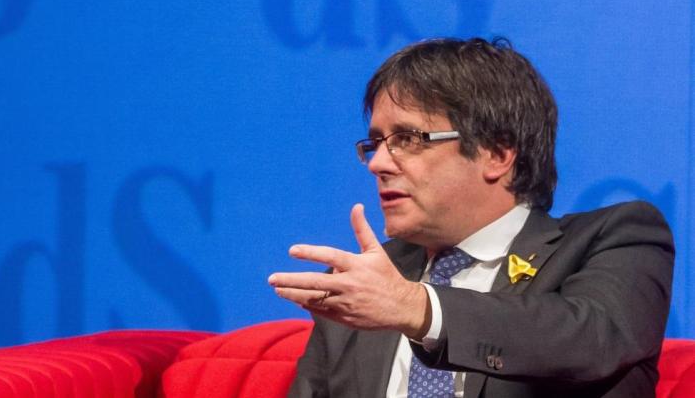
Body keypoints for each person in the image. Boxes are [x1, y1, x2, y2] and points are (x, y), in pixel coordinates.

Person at [268, 37, 674, 398]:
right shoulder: (370, 282)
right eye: (376, 143)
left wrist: (419, 308)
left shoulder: (615, 238)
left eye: (407, 139)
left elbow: (591, 340)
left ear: (496, 154)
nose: (378, 163)